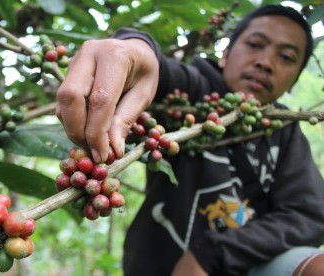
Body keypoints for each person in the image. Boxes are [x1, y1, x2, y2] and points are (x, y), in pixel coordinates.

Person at [56, 4, 324, 276]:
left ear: (294, 82)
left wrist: (214, 252)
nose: (265, 63)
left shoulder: (285, 132)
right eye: (255, 44)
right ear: (225, 55)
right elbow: (156, 71)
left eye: (287, 57)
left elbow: (310, 215)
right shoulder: (196, 92)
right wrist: (134, 48)